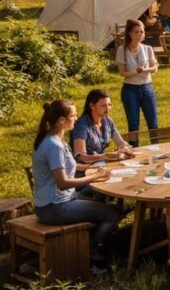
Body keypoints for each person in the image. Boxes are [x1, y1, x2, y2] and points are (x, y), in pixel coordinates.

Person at [33, 100, 119, 273]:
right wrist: (94, 176)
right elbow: (63, 182)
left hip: (54, 201)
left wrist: (93, 169)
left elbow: (69, 165)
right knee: (112, 213)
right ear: (61, 120)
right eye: (73, 115)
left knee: (98, 194)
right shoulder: (53, 146)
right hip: (54, 207)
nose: (76, 118)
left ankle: (93, 241)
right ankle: (96, 256)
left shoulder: (53, 137)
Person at [116, 19, 159, 146]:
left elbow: (155, 68)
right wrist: (137, 72)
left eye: (142, 32)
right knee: (133, 124)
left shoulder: (148, 48)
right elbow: (122, 73)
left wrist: (146, 70)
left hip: (147, 87)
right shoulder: (121, 50)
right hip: (130, 89)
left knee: (153, 122)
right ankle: (134, 150)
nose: (140, 34)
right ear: (129, 33)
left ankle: (156, 147)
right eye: (137, 32)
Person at [71, 90, 134, 164]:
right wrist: (106, 156)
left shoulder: (108, 121)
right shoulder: (81, 126)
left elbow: (120, 143)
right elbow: (81, 157)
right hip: (84, 168)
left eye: (109, 104)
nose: (107, 109)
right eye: (103, 106)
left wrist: (124, 148)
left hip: (100, 163)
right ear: (92, 106)